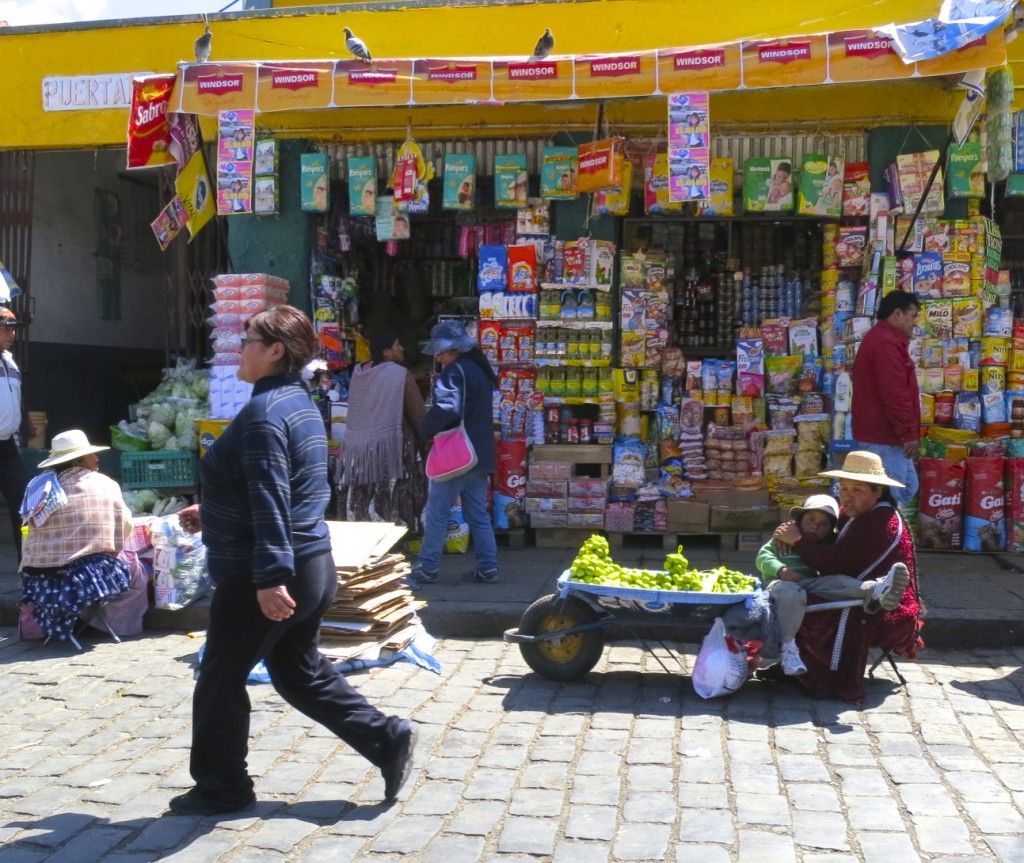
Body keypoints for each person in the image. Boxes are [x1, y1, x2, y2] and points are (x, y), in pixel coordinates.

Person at [169, 305, 417, 817]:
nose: (242, 348)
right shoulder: (298, 403)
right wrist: (211, 509)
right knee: (298, 670)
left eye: (250, 339)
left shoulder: (265, 413)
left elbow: (270, 496)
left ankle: (223, 788)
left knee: (220, 675)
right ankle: (387, 738)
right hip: (311, 562)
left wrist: (269, 577)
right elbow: (282, 484)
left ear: (276, 351)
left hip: (268, 571)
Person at [770, 451, 921, 705]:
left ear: (878, 492)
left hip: (888, 611)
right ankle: (794, 663)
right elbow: (824, 530)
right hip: (858, 590)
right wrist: (790, 532)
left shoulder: (877, 522)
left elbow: (830, 562)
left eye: (857, 490)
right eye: (844, 488)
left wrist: (796, 540)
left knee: (798, 600)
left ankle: (816, 675)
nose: (848, 496)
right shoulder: (859, 513)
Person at [756, 493, 910, 677]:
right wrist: (781, 569)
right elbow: (763, 557)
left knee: (838, 582)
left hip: (810, 583)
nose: (815, 527)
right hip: (780, 585)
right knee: (790, 593)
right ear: (798, 520)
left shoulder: (824, 545)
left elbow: (832, 563)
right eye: (810, 520)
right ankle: (788, 649)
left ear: (830, 531)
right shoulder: (781, 538)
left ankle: (875, 590)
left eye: (823, 525)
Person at [19, 429, 133, 642]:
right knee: (132, 562)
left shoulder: (39, 487)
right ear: (77, 460)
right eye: (91, 455)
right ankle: (120, 625)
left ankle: (66, 623)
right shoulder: (106, 484)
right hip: (90, 580)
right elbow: (125, 528)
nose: (97, 458)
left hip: (41, 583)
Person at [409, 320, 499, 587]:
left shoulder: (454, 372)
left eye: (441, 352)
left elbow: (447, 409)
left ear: (455, 350)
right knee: (478, 515)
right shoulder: (479, 371)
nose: (437, 357)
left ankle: (427, 568)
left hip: (457, 457)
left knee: (437, 512)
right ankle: (488, 568)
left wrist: (425, 429)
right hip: (480, 455)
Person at [338, 331, 427, 535]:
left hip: (360, 449)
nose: (402, 349)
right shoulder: (399, 374)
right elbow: (417, 412)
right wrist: (428, 439)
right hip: (394, 446)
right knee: (396, 492)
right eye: (398, 345)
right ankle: (397, 534)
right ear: (386, 351)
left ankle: (366, 534)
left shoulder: (359, 374)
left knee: (367, 494)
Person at [851, 290, 922, 508]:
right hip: (883, 437)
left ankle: (879, 533)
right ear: (897, 314)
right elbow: (894, 393)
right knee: (890, 499)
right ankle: (883, 538)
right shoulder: (885, 343)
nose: (915, 323)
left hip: (888, 437)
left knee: (908, 486)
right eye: (913, 316)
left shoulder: (886, 340)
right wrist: (907, 433)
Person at [0, 307, 29, 558]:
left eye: (12, 329)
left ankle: (27, 568)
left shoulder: (10, 361)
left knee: (23, 505)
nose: (10, 334)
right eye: (4, 329)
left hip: (7, 444)